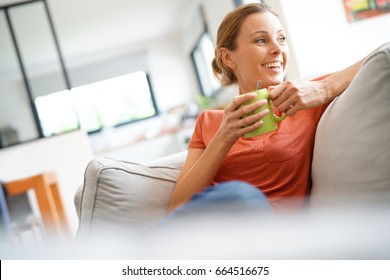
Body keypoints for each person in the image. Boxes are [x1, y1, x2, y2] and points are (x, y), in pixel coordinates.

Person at [167, 3, 383, 214]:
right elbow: (177, 208)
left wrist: (324, 87)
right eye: (261, 40)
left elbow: (384, 56)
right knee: (240, 195)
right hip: (215, 227)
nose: (277, 48)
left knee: (244, 196)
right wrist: (224, 137)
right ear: (227, 57)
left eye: (281, 39)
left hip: (273, 235)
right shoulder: (209, 122)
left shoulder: (304, 98)